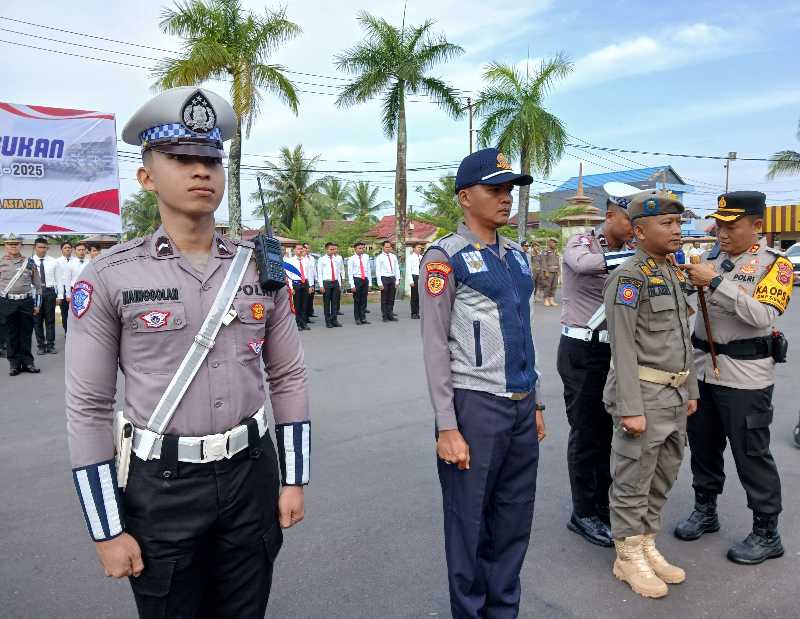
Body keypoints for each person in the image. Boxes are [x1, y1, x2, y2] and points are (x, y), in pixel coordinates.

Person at [66, 87, 310, 618]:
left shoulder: (258, 268)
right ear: (147, 176)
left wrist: (294, 478)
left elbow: (288, 375)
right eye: (181, 158)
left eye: (211, 159)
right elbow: (88, 407)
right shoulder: (109, 276)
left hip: (251, 475)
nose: (201, 171)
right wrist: (107, 528)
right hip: (163, 489)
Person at [421, 148, 546, 618]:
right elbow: (435, 346)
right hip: (475, 406)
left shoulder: (516, 256)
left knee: (514, 522)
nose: (505, 198)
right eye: (494, 189)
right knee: (469, 527)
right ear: (464, 197)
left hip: (519, 403)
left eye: (509, 190)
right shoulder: (444, 258)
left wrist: (536, 402)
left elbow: (525, 332)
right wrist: (446, 426)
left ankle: (503, 611)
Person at [676, 191, 793, 565]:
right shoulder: (710, 257)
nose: (721, 232)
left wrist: (715, 283)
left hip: (746, 378)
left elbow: (762, 316)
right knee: (704, 446)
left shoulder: (776, 265)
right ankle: (705, 510)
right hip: (703, 372)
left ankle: (766, 531)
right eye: (720, 224)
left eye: (731, 225)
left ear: (757, 226)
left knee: (751, 454)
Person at [603, 190, 698, 599]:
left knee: (664, 474)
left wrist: (690, 389)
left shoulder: (673, 274)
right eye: (668, 224)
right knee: (633, 477)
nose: (677, 231)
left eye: (679, 223)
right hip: (643, 394)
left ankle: (645, 542)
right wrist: (630, 407)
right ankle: (626, 555)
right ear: (640, 231)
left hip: (675, 395)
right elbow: (621, 346)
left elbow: (682, 338)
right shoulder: (629, 278)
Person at [556, 181, 637, 547]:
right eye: (631, 220)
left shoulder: (633, 251)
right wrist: (638, 258)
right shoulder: (582, 243)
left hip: (614, 353)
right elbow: (581, 265)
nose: (637, 228)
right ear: (610, 216)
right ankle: (583, 512)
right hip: (582, 352)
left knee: (608, 433)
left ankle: (603, 504)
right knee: (586, 433)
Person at [0, 234, 42, 375]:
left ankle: (28, 363)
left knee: (26, 333)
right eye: (10, 243)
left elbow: (38, 285)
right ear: (5, 245)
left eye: (16, 243)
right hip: (7, 302)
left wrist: (37, 304)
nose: (13, 246)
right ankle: (14, 364)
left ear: (21, 245)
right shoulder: (0, 262)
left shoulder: (30, 263)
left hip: (26, 302)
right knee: (11, 334)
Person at [32, 237, 59, 354]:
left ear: (47, 248)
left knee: (50, 320)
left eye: (44, 247)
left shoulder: (53, 261)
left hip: (49, 292)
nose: (42, 250)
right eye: (40, 247)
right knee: (37, 321)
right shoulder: (29, 262)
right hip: (35, 293)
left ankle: (50, 345)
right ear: (35, 247)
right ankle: (41, 346)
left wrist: (60, 295)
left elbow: (59, 279)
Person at [316, 242, 343, 328]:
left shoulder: (337, 259)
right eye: (331, 249)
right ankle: (328, 321)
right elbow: (319, 273)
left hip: (335, 282)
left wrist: (339, 284)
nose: (332, 251)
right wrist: (321, 285)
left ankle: (334, 320)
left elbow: (338, 272)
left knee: (335, 302)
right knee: (327, 303)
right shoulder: (321, 259)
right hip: (326, 283)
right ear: (326, 249)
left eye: (333, 249)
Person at [287, 243, 311, 331]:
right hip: (296, 283)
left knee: (305, 304)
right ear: (294, 250)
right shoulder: (290, 261)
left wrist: (310, 285)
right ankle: (297, 323)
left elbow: (309, 273)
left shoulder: (306, 260)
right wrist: (290, 287)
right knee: (297, 304)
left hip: (305, 283)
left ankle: (303, 323)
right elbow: (288, 275)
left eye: (301, 249)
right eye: (298, 249)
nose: (300, 251)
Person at [347, 241, 372, 325]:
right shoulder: (351, 259)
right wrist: (352, 285)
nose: (361, 250)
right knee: (357, 300)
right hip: (357, 280)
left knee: (364, 300)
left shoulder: (366, 257)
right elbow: (350, 273)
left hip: (365, 279)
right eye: (359, 248)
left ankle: (363, 318)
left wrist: (370, 283)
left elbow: (368, 270)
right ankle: (357, 318)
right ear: (355, 249)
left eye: (362, 248)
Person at [375, 240, 400, 321]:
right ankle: (385, 316)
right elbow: (378, 271)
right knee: (384, 298)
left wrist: (397, 280)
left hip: (392, 278)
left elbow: (397, 268)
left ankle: (390, 315)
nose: (388, 248)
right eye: (386, 247)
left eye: (389, 247)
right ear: (383, 247)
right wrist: (379, 283)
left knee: (391, 298)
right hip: (384, 278)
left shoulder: (393, 256)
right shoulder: (379, 257)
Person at [55, 241, 76, 333]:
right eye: (65, 248)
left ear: (72, 249)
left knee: (75, 312)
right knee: (65, 312)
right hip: (62, 288)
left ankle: (75, 332)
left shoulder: (76, 260)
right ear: (61, 250)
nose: (67, 249)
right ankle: (67, 331)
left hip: (74, 288)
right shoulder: (56, 262)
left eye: (69, 247)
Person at [541, 238, 560, 306]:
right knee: (547, 286)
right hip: (549, 271)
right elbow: (543, 262)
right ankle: (546, 299)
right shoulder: (545, 251)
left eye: (555, 243)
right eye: (553, 242)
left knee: (554, 286)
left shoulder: (556, 251)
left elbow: (558, 262)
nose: (554, 244)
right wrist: (546, 271)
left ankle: (551, 300)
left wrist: (559, 271)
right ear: (549, 243)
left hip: (555, 271)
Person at [408, 242, 423, 319]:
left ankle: (417, 312)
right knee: (414, 296)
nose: (420, 249)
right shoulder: (410, 257)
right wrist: (411, 281)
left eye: (420, 248)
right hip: (414, 277)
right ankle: (413, 313)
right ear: (414, 248)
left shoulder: (422, 257)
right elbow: (408, 270)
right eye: (418, 247)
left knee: (419, 296)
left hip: (421, 277)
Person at [303, 242, 318, 320]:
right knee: (306, 299)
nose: (307, 250)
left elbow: (314, 269)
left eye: (309, 248)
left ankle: (309, 313)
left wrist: (316, 278)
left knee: (311, 298)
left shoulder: (312, 258)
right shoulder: (302, 259)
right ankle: (305, 317)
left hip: (312, 281)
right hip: (306, 282)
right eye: (306, 248)